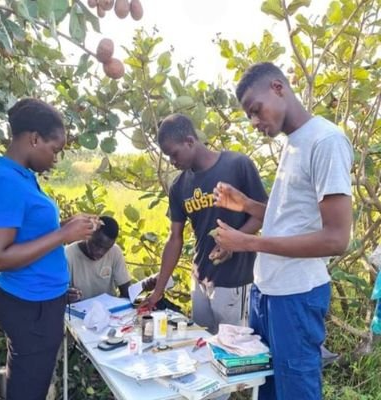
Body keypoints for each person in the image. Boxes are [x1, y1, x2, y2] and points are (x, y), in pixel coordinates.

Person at [213, 62, 353, 400]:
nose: (254, 121)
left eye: (255, 110)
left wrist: (248, 242)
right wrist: (247, 205)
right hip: (269, 292)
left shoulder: (326, 141)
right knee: (270, 388)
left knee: (296, 390)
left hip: (296, 295)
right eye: (249, 116)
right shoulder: (294, 143)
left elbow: (336, 238)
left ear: (278, 88)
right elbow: (289, 219)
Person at [0, 98, 97, 400]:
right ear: (34, 139)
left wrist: (65, 228)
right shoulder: (4, 181)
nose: (55, 159)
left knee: (29, 378)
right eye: (54, 150)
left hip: (39, 301)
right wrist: (61, 234)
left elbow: (26, 231)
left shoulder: (23, 176)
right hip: (29, 305)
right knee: (28, 389)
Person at [142, 113, 267, 334]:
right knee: (203, 347)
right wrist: (158, 291)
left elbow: (264, 214)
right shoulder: (179, 186)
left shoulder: (237, 165)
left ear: (190, 141)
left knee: (235, 351)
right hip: (200, 281)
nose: (172, 161)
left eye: (174, 154)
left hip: (235, 282)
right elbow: (175, 238)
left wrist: (233, 242)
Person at [66, 215, 156, 302]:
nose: (99, 252)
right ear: (89, 234)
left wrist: (144, 286)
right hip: (78, 315)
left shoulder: (115, 251)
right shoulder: (68, 254)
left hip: (109, 313)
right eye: (96, 244)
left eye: (106, 249)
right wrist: (66, 296)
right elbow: (57, 296)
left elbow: (126, 292)